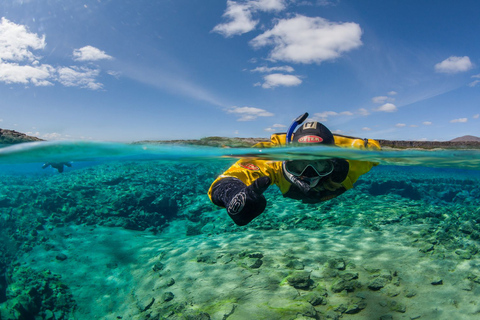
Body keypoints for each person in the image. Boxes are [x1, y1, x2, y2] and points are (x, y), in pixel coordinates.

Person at [208, 112, 381, 226]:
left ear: (334, 163)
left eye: (321, 165)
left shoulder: (356, 160)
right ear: (287, 161)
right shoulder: (275, 159)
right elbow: (233, 175)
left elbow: (376, 150)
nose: (309, 174)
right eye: (298, 165)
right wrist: (232, 194)